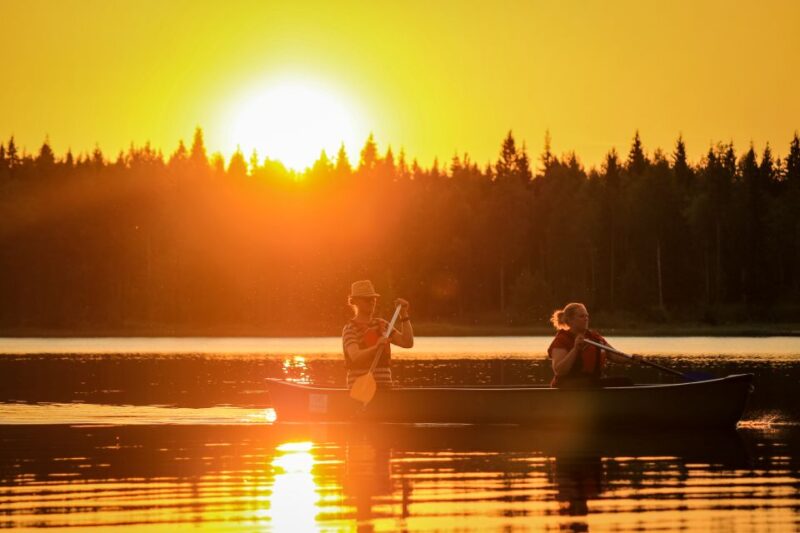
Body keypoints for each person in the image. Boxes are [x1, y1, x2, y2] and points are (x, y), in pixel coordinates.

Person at [547, 302, 638, 388]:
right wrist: (575, 349)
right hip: (567, 385)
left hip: (592, 383)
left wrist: (631, 359)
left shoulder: (594, 337)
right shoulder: (561, 340)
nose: (586, 318)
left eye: (587, 316)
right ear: (570, 320)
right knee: (624, 382)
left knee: (625, 381)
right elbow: (559, 371)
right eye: (581, 316)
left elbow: (614, 355)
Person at [342, 280, 414, 388]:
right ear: (355, 301)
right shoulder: (350, 329)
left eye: (373, 299)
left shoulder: (382, 324)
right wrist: (376, 347)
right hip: (360, 389)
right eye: (367, 299)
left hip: (385, 388)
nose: (371, 302)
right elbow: (355, 357)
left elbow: (407, 343)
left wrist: (403, 314)